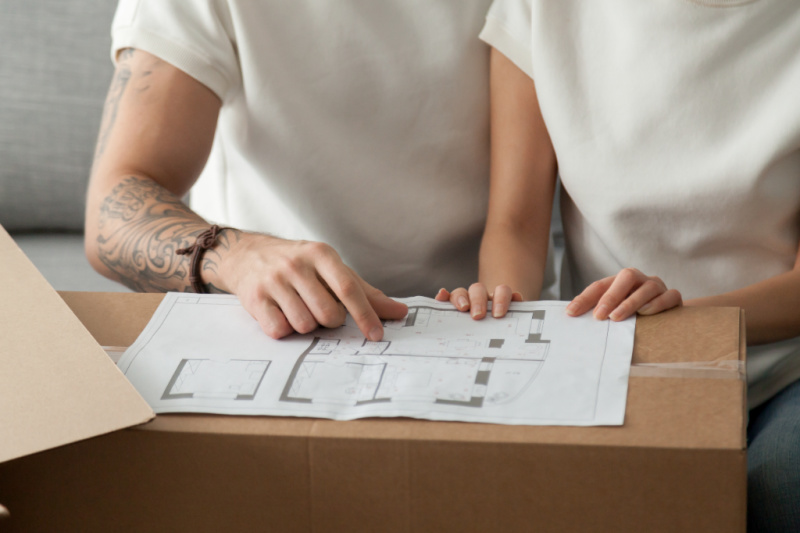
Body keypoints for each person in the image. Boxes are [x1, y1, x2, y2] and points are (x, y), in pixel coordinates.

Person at [436, 1, 800, 530]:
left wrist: (678, 322)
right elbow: (515, 225)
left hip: (779, 368)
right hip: (610, 360)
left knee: (782, 487)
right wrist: (501, 307)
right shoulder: (546, 10)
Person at [86, 0, 560, 342]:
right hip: (273, 324)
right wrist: (237, 256)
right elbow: (114, 209)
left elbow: (520, 220)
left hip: (470, 313)